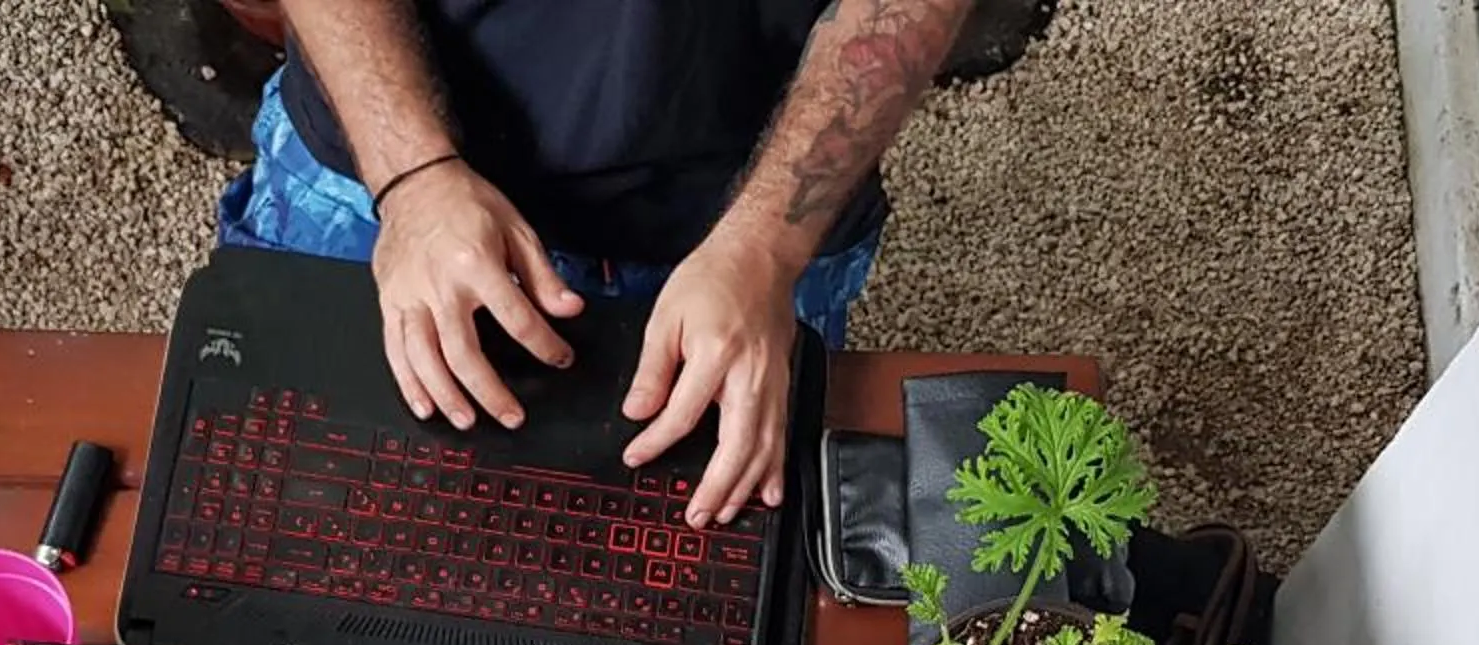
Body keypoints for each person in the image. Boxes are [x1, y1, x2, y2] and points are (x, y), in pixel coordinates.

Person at [218, 0, 976, 530]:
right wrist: (411, 178)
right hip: (379, 172)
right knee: (281, 535)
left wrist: (763, 250)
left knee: (700, 622)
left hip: (745, 229)